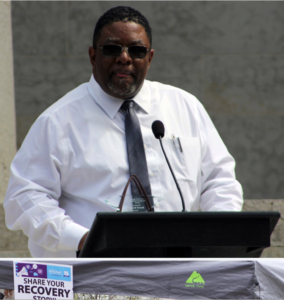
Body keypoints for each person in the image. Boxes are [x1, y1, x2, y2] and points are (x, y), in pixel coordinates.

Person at [4, 6, 243, 258]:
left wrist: (219, 234)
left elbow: (220, 180)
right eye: (112, 49)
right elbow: (25, 197)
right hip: (93, 276)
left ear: (149, 58)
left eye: (137, 50)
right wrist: (83, 238)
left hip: (179, 271)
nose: (125, 58)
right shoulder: (57, 121)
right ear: (93, 55)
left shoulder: (185, 107)